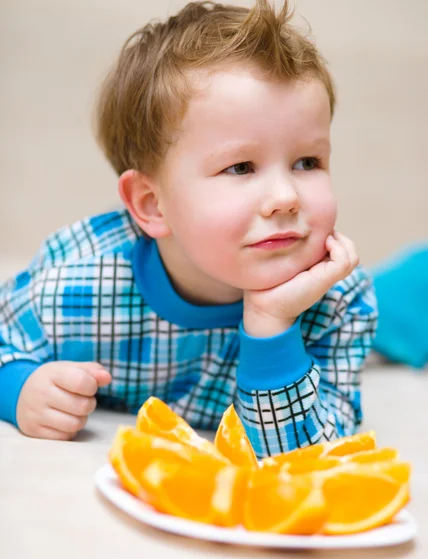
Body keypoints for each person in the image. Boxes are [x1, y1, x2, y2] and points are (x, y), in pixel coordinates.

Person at [0, 0, 377, 458]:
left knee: (391, 311)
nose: (286, 196)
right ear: (152, 204)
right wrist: (16, 386)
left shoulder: (339, 302)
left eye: (307, 162)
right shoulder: (74, 281)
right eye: (240, 167)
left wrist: (271, 327)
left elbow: (307, 458)